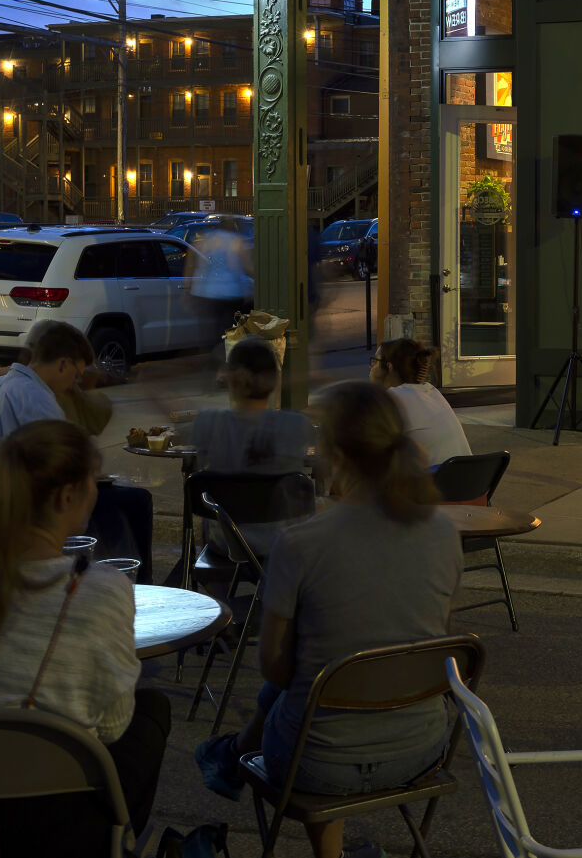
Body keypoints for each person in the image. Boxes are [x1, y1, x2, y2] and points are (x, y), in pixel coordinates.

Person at [196, 382, 463, 858]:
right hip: (423, 748)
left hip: (317, 762)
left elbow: (275, 668)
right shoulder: (443, 534)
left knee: (306, 680)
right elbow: (429, 642)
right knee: (328, 670)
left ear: (334, 451)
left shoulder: (301, 544)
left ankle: (237, 758)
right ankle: (235, 755)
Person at [0, 421, 170, 854]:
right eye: (92, 483)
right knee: (151, 711)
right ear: (65, 497)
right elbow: (112, 727)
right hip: (43, 812)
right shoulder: (101, 590)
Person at [0, 321, 92, 459]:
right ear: (63, 364)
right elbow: (58, 466)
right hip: (10, 479)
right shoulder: (38, 400)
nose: (73, 384)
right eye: (76, 376)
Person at [192, 337, 312, 478]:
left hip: (225, 500)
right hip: (280, 500)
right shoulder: (298, 425)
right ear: (274, 381)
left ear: (231, 380)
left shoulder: (207, 423)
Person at [371, 337, 470, 470]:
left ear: (389, 367)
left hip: (433, 485)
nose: (371, 367)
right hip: (469, 483)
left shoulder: (392, 399)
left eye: (375, 362)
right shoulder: (430, 390)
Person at [191, 217, 255, 334]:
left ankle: (214, 348)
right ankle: (226, 348)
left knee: (212, 329)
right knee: (231, 328)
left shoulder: (208, 239)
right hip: (232, 292)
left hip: (208, 291)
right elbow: (247, 267)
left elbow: (195, 262)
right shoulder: (236, 241)